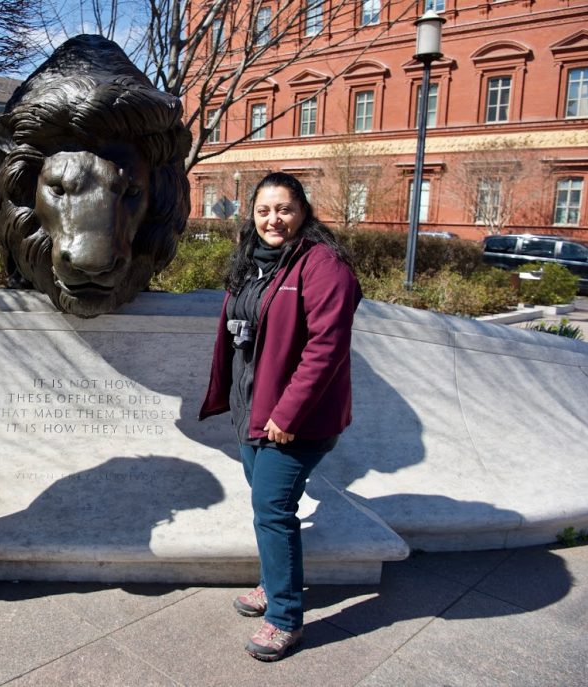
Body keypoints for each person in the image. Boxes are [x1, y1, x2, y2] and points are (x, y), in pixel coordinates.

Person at [199, 172, 361, 661]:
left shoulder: (323, 265)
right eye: (264, 210)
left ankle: (285, 618)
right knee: (266, 506)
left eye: (285, 209)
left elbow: (326, 348)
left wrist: (288, 412)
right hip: (256, 410)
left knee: (273, 509)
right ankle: (274, 584)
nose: (274, 219)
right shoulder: (254, 264)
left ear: (303, 212)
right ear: (253, 215)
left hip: (297, 420)